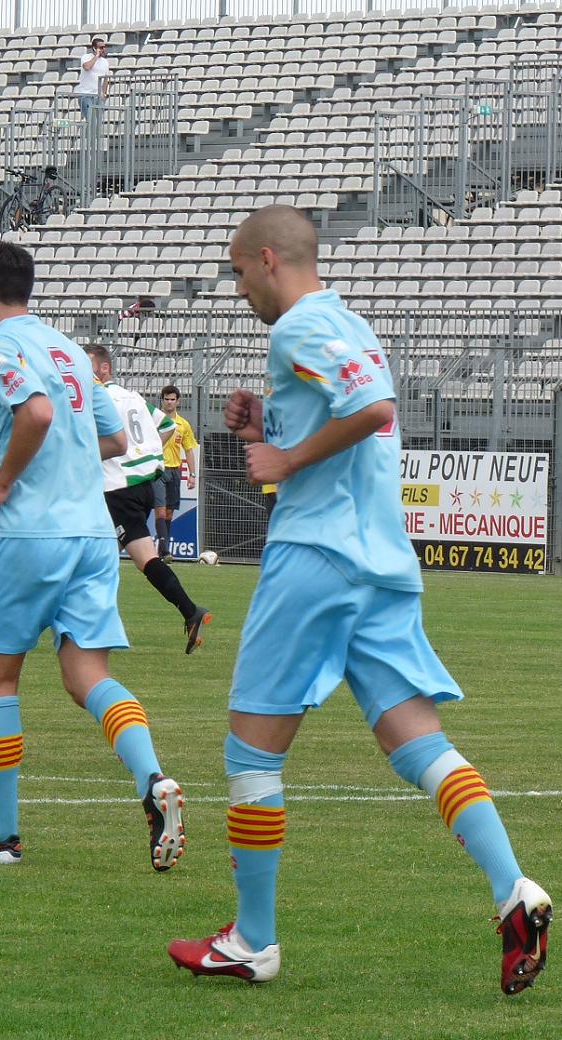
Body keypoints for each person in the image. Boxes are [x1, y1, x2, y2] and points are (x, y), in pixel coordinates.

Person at [167, 205, 551, 994]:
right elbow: (351, 413)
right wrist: (261, 424)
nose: (238, 289)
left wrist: (280, 457)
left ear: (268, 259)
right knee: (418, 743)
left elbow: (371, 409)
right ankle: (515, 890)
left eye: (238, 273)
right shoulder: (350, 321)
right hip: (380, 562)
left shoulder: (296, 327)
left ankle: (253, 940)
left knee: (250, 752)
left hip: (317, 558)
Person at [0, 240, 185, 875]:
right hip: (92, 535)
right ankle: (152, 779)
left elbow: (38, 412)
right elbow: (107, 435)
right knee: (87, 677)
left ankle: (3, 834)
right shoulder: (71, 351)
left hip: (31, 537)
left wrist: (0, 483)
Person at [85, 344, 212, 655]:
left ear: (104, 369)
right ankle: (190, 610)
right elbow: (166, 426)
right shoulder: (134, 397)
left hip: (117, 486)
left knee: (92, 557)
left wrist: (125, 456)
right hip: (143, 484)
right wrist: (147, 454)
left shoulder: (96, 398)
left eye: (85, 365)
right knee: (142, 557)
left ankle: (94, 627)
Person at [153, 384, 197, 562]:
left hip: (175, 470)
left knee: (170, 513)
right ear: (161, 400)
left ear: (178, 401)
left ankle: (162, 548)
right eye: (166, 399)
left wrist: (192, 475)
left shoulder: (183, 424)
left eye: (172, 399)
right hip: (158, 470)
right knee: (161, 512)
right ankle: (165, 551)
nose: (169, 402)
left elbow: (188, 450)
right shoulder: (154, 420)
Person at [74, 36, 110, 119]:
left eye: (104, 47)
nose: (103, 49)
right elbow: (87, 67)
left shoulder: (105, 62)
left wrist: (104, 94)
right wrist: (96, 56)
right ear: (94, 48)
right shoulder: (86, 57)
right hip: (86, 94)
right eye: (101, 47)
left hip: (98, 96)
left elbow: (105, 79)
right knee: (91, 120)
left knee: (98, 122)